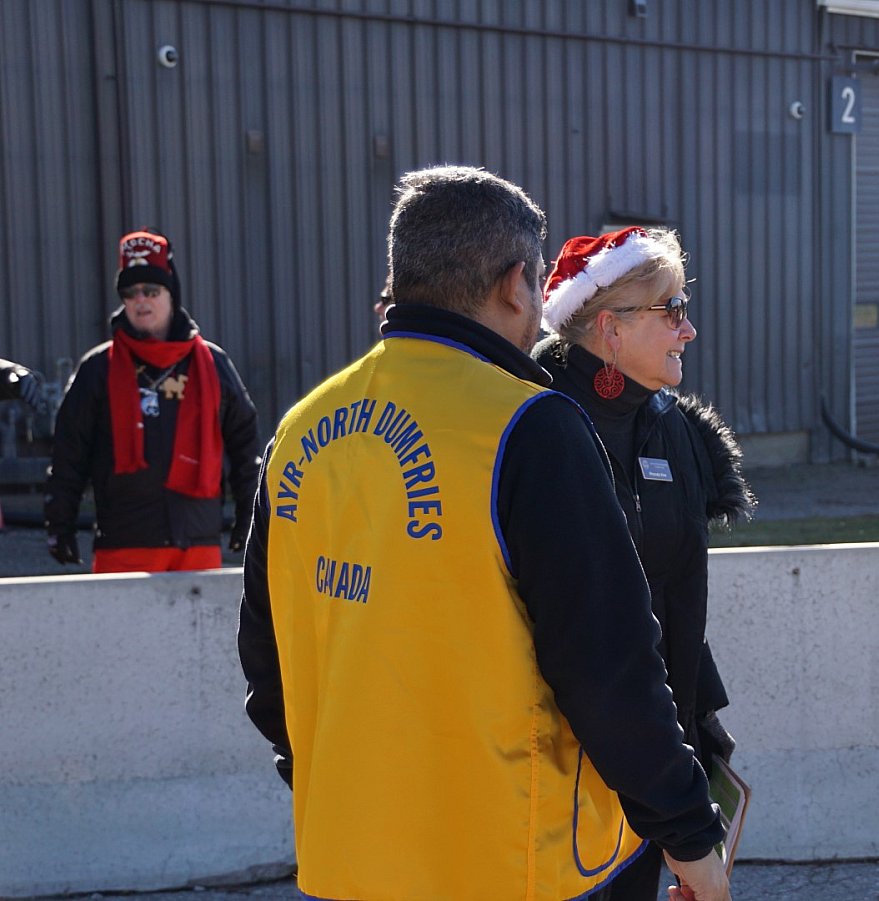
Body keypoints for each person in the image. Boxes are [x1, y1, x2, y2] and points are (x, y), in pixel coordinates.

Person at [237, 167, 730, 901]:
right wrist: (690, 836)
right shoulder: (530, 424)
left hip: (350, 855)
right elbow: (609, 668)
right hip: (510, 860)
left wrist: (330, 779)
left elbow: (266, 651)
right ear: (515, 284)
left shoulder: (302, 425)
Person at [535, 227, 756, 900]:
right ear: (610, 328)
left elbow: (679, 592)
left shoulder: (672, 426)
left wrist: (696, 723)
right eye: (673, 309)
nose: (689, 329)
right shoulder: (536, 424)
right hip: (555, 770)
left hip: (652, 754)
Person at [43, 230, 260, 573]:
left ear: (171, 294)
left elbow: (246, 449)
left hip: (197, 545)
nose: (140, 300)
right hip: (123, 545)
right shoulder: (99, 368)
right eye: (130, 293)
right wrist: (59, 523)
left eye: (151, 291)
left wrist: (250, 517)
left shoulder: (213, 364)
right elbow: (69, 453)